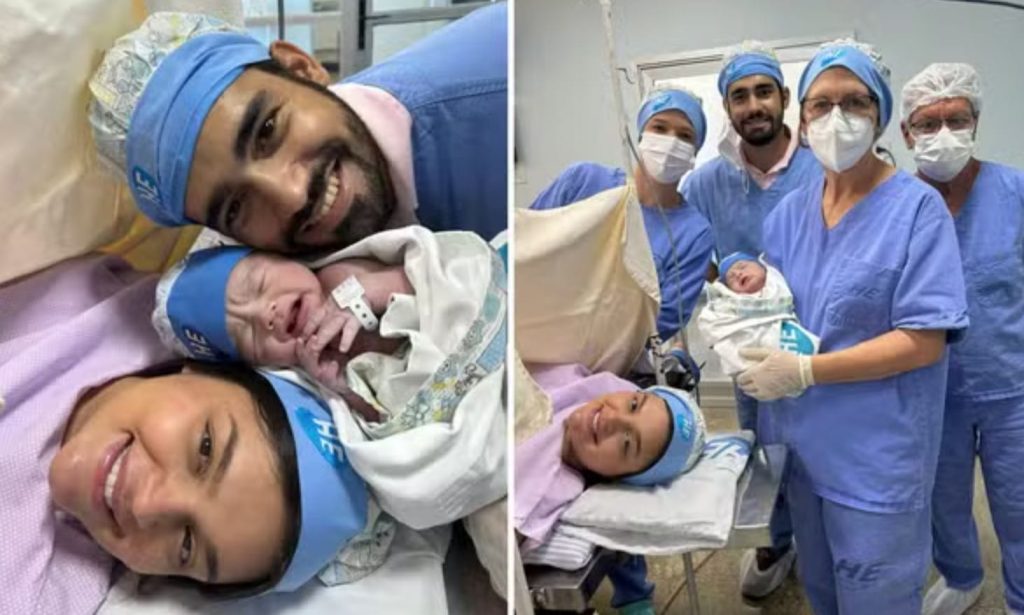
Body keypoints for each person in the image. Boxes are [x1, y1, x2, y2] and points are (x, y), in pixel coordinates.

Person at [737, 40, 969, 614]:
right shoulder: (788, 214)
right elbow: (776, 308)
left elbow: (924, 341)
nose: (836, 118)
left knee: (876, 596)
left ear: (880, 114)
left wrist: (807, 371)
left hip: (877, 461)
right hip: (802, 448)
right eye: (821, 104)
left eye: (855, 102)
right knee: (822, 591)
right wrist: (740, 314)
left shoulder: (917, 209)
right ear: (802, 118)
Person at [0, 254, 369, 614]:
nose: (147, 506)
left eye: (187, 545)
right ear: (203, 368)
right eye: (205, 449)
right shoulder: (113, 305)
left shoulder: (30, 596)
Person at [88, 5, 507, 254]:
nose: (291, 196)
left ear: (301, 67)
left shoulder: (497, 91)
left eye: (267, 131)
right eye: (235, 208)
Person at [681, 42, 823, 594]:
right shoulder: (706, 183)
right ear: (727, 108)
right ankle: (775, 540)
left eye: (764, 91)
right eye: (739, 96)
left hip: (819, 340)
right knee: (764, 449)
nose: (753, 105)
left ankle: (823, 540)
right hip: (750, 349)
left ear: (784, 98)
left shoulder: (823, 168)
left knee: (823, 449)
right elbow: (692, 258)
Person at [151, 226, 506, 439]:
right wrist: (341, 388)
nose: (265, 315)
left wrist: (371, 291)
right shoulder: (309, 373)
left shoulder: (339, 275)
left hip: (470, 319)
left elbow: (428, 272)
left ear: (281, 256)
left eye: (258, 284)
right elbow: (379, 424)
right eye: (250, 336)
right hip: (458, 402)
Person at [899, 63, 1024, 615]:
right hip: (930, 388)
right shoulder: (898, 203)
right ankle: (961, 575)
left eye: (957, 119)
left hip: (1012, 386)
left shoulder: (1014, 191)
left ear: (976, 122)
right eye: (929, 123)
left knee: (1019, 502)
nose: (943, 133)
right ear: (907, 134)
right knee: (942, 497)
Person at [529, 88, 714, 343]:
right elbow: (526, 243)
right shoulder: (583, 181)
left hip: (615, 355)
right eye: (659, 128)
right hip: (536, 332)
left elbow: (666, 320)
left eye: (685, 136)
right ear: (641, 135)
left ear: (695, 151)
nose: (671, 142)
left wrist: (594, 340)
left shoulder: (694, 232)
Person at [514, 363, 706, 554]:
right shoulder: (585, 383)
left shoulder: (542, 492)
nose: (613, 419)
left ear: (619, 477)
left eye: (627, 442)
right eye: (633, 405)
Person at [697, 252, 819, 377]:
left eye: (742, 267)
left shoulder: (778, 283)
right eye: (731, 278)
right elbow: (711, 322)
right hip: (746, 341)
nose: (738, 274)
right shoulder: (728, 303)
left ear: (763, 267)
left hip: (789, 342)